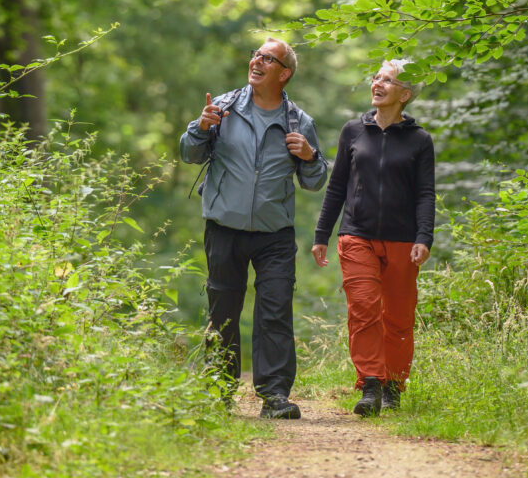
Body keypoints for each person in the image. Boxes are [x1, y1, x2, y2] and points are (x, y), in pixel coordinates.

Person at [180, 38, 328, 420]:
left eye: (268, 58)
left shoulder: (299, 122)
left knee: (275, 311)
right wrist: (200, 127)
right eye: (256, 55)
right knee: (223, 311)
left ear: (285, 73)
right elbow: (188, 153)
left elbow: (314, 181)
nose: (257, 61)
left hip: (274, 234)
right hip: (224, 227)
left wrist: (310, 156)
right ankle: (219, 391)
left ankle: (275, 396)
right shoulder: (224, 108)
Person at [311, 59, 435, 417]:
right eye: (376, 77)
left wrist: (423, 236)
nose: (377, 84)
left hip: (403, 240)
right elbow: (337, 186)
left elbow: (425, 193)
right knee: (363, 309)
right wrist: (322, 233)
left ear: (404, 94)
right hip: (356, 235)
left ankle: (393, 385)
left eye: (388, 80)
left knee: (398, 317)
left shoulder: (420, 140)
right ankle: (370, 384)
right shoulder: (353, 131)